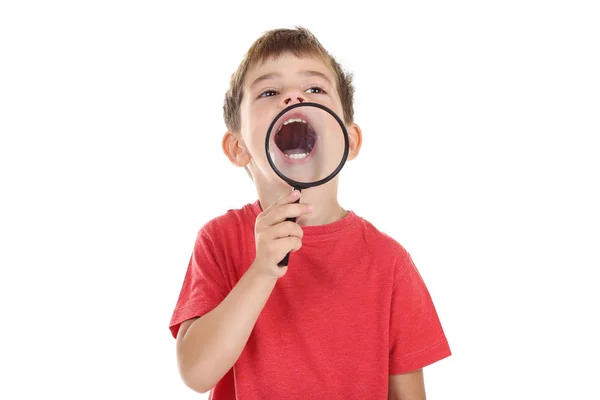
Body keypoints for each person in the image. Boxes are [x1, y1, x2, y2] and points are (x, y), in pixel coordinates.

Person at [169, 26, 451, 399]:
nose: (293, 97)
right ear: (238, 147)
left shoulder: (389, 263)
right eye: (269, 92)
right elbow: (196, 372)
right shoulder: (219, 239)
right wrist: (260, 272)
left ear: (349, 140)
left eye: (315, 89)